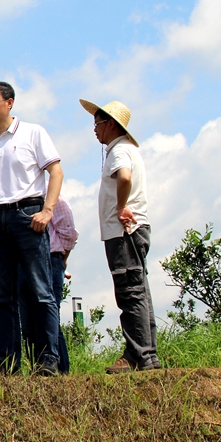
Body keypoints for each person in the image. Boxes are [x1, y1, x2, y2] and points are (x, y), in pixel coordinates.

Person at [0, 81, 64, 375]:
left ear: (9, 102)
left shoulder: (33, 132)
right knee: (3, 295)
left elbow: (55, 171)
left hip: (28, 214)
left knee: (41, 290)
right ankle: (7, 363)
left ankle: (48, 359)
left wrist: (47, 211)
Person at [81, 98, 160, 373]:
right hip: (133, 230)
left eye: (98, 122)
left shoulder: (118, 151)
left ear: (111, 125)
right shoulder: (126, 149)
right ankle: (147, 356)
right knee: (139, 291)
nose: (94, 129)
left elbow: (123, 178)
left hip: (124, 231)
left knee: (129, 292)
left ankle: (136, 354)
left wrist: (121, 207)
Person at [45, 194, 78, 374]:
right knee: (37, 321)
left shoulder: (54, 195)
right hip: (32, 260)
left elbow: (69, 233)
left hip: (52, 257)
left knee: (50, 317)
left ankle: (62, 370)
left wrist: (61, 260)